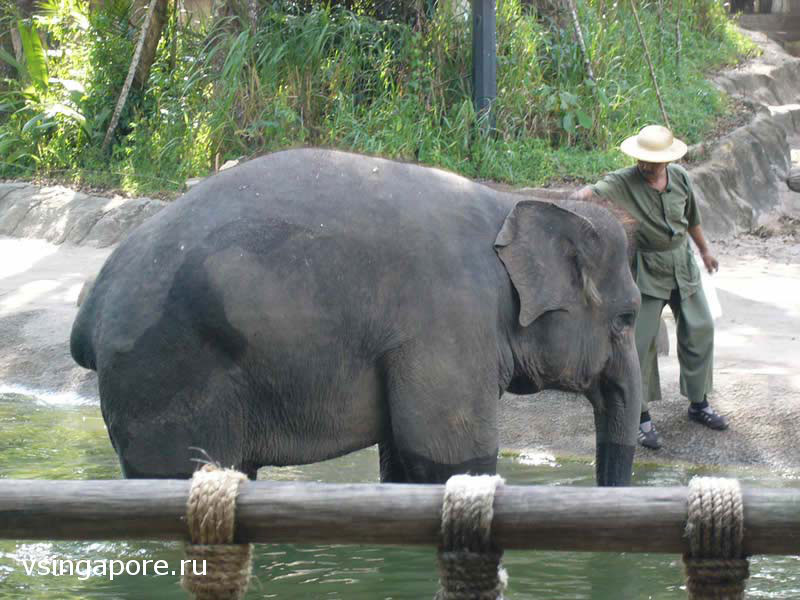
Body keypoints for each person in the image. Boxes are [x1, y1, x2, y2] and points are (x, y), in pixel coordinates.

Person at [571, 125, 728, 450]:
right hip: (648, 269)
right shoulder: (625, 180)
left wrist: (705, 250)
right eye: (641, 159)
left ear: (666, 161)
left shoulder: (680, 179)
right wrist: (581, 196)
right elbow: (595, 189)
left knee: (700, 328)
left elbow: (692, 218)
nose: (645, 165)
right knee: (639, 344)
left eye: (652, 162)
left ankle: (699, 403)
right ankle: (640, 417)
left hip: (682, 264)